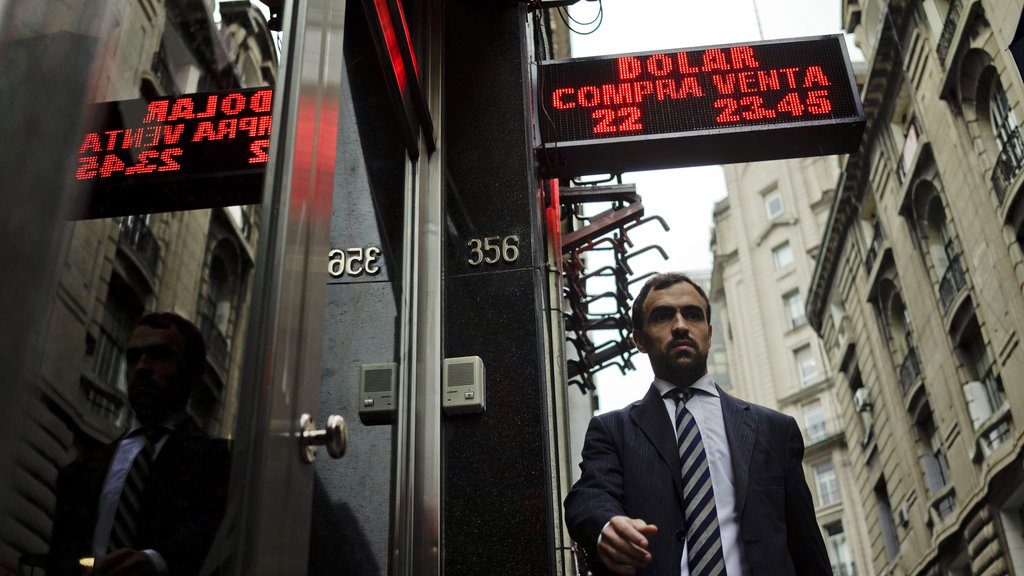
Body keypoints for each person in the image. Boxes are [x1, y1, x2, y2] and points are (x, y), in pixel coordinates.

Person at [564, 273, 832, 576]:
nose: (680, 326)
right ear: (639, 339)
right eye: (663, 316)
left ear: (709, 331)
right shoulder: (612, 430)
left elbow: (807, 547)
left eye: (693, 315)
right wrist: (606, 526)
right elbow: (588, 496)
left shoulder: (774, 429)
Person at [48, 312, 231, 576]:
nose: (142, 366)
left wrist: (155, 563)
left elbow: (211, 540)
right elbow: (65, 560)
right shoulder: (80, 472)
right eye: (133, 357)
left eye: (160, 355)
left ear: (192, 373)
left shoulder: (218, 462)